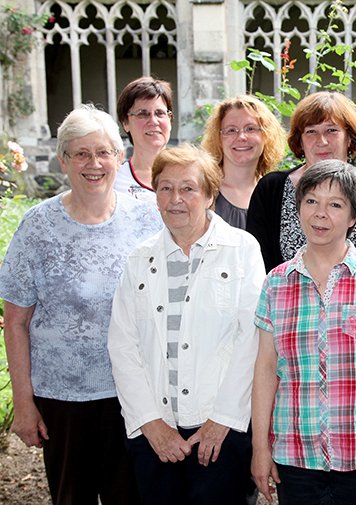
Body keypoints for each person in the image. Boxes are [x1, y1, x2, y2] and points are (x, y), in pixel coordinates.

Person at [0, 104, 162, 505]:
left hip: (135, 395)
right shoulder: (37, 226)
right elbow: (15, 321)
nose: (94, 163)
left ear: (120, 157)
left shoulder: (148, 219)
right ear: (63, 160)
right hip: (63, 400)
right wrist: (24, 402)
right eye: (81, 153)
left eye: (104, 152)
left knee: (133, 497)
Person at [107, 144, 265, 504]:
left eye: (188, 188)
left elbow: (252, 338)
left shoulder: (242, 249)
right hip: (155, 433)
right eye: (165, 187)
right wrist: (150, 422)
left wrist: (221, 420)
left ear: (210, 194)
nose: (175, 198)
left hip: (222, 431)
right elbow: (122, 345)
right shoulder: (139, 258)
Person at [251, 160, 356, 504]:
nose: (320, 214)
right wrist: (260, 449)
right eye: (311, 201)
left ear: (354, 217)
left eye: (335, 204)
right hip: (294, 452)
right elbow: (266, 369)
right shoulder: (276, 283)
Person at [246, 91, 356, 271]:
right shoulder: (271, 189)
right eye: (311, 131)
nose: (322, 141)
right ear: (300, 141)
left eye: (331, 130)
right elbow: (256, 263)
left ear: (349, 138)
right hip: (289, 297)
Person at [200, 94, 286, 229]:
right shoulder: (202, 191)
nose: (241, 137)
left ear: (266, 135)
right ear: (218, 138)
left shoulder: (276, 195)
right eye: (231, 130)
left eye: (250, 129)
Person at [115, 76, 174, 203]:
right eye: (143, 113)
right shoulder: (114, 181)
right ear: (125, 123)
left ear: (170, 119)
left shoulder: (189, 174)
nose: (153, 121)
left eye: (160, 113)